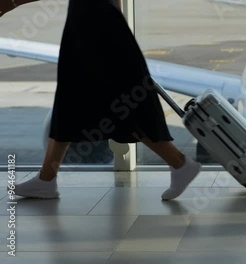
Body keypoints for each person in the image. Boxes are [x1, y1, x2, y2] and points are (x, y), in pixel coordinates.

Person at [1, 0, 201, 200]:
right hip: (93, 17)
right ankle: (46, 179)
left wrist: (12, 2)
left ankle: (179, 162)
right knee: (72, 99)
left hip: (93, 19)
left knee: (112, 102)